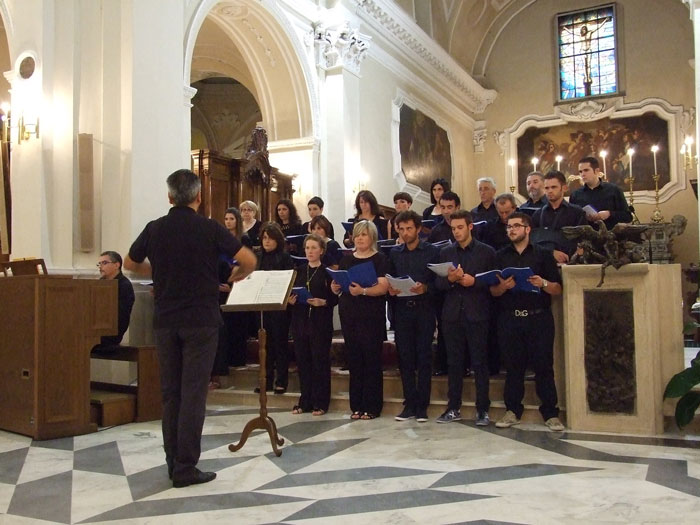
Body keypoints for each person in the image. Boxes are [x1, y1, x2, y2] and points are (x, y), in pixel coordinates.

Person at [125, 168, 257, 488]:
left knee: (171, 394)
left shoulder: (155, 229)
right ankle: (186, 466)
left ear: (169, 197)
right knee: (194, 395)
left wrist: (162, 271)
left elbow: (129, 264)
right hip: (201, 320)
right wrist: (232, 277)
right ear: (199, 197)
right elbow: (248, 260)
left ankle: (173, 462)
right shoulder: (210, 228)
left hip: (166, 320)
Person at [489, 212, 565, 432]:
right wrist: (503, 288)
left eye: (516, 226)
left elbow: (558, 289)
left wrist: (542, 283)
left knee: (543, 366)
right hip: (510, 318)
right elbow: (493, 291)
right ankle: (512, 410)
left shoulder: (542, 255)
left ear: (527, 229)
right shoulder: (500, 255)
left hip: (538, 317)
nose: (511, 230)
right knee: (513, 367)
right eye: (508, 227)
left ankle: (550, 413)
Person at [434, 210, 496, 425]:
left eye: (460, 227)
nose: (456, 232)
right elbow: (438, 285)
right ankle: (453, 407)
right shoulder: (445, 253)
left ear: (470, 227)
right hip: (452, 314)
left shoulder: (486, 252)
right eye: (453, 228)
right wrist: (451, 279)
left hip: (477, 313)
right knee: (454, 363)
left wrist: (474, 282)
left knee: (479, 362)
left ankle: (482, 409)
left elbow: (494, 282)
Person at [332, 220, 389, 420]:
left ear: (372, 237)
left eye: (364, 234)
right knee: (354, 358)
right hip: (349, 312)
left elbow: (383, 287)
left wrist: (363, 290)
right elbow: (339, 283)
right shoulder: (346, 260)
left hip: (370, 313)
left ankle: (372, 406)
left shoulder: (380, 259)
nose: (360, 238)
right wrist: (335, 287)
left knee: (371, 359)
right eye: (357, 235)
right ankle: (356, 405)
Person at [388, 210, 440, 423]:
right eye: (402, 229)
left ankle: (422, 406)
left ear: (418, 229)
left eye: (410, 228)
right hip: (401, 311)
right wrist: (391, 289)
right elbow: (389, 278)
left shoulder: (431, 252)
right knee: (405, 358)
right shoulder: (394, 253)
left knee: (424, 357)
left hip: (424, 309)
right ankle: (409, 403)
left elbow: (439, 282)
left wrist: (425, 288)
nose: (406, 233)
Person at [288, 234, 338, 416]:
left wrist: (323, 302)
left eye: (314, 248)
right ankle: (305, 400)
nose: (310, 251)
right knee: (303, 362)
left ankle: (321, 402)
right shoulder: (299, 271)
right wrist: (291, 300)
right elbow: (290, 294)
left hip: (320, 322)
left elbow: (334, 299)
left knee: (319, 362)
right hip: (300, 321)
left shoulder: (327, 272)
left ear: (322, 251)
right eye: (307, 248)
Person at [210, 207, 249, 389]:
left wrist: (232, 286)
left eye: (231, 219)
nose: (228, 222)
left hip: (235, 286)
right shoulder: (220, 242)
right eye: (225, 218)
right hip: (218, 290)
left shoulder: (244, 240)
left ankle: (235, 359)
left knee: (233, 326)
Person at [257, 222, 295, 393]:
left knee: (279, 344)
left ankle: (281, 380)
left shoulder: (285, 258)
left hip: (279, 306)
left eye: (270, 238)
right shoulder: (258, 257)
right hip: (262, 305)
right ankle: (265, 380)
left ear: (277, 240)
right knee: (264, 344)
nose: (267, 241)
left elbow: (288, 281)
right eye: (264, 238)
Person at [531, 171, 587, 263]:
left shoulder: (577, 212)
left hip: (570, 262)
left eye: (554, 187)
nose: (550, 191)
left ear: (564, 188)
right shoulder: (538, 214)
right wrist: (551, 252)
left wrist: (574, 257)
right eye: (547, 188)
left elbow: (584, 240)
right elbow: (533, 241)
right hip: (544, 263)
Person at [570, 156, 632, 229]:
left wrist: (609, 214)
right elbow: (571, 220)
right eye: (580, 171)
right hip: (586, 237)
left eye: (586, 170)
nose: (582, 174)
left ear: (596, 171)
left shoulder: (614, 190)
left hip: (610, 236)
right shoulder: (575, 195)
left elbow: (627, 217)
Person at [92, 250, 135, 350]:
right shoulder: (100, 283)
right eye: (99, 264)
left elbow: (121, 315)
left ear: (117, 265)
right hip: (96, 330)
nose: (101, 267)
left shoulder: (124, 285)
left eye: (104, 263)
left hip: (111, 334)